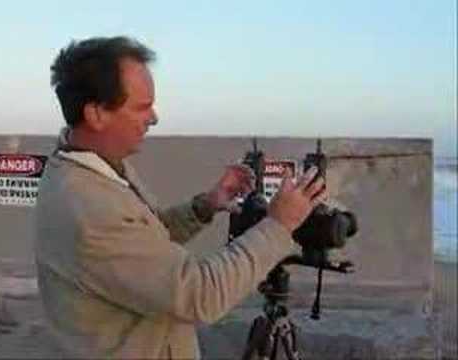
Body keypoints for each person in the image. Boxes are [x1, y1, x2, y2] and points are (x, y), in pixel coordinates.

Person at [34, 36, 327, 359]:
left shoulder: (95, 167)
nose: (154, 118)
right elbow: (200, 295)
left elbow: (145, 240)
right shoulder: (88, 206)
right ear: (96, 113)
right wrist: (279, 225)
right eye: (142, 107)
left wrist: (205, 206)